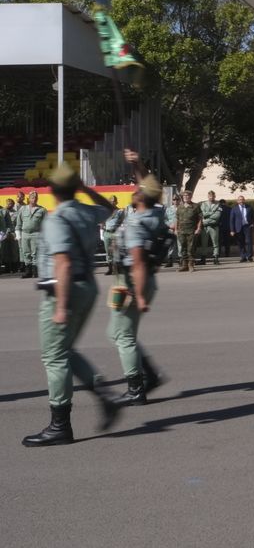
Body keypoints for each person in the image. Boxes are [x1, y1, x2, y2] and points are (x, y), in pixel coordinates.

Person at [22, 165, 123, 447]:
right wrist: (87, 189)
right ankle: (105, 395)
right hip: (87, 286)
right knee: (65, 350)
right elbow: (110, 209)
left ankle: (60, 426)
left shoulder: (57, 218)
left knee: (54, 357)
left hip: (63, 290)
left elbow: (63, 263)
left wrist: (60, 307)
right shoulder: (86, 211)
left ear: (52, 190)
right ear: (75, 189)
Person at [105, 150, 168, 407]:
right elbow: (149, 186)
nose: (134, 188)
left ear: (142, 196)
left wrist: (139, 295)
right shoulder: (154, 212)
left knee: (123, 336)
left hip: (133, 282)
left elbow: (138, 263)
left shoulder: (136, 224)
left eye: (137, 188)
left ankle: (136, 388)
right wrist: (138, 163)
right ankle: (149, 374)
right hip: (136, 280)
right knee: (116, 332)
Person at [17, 190, 47, 278]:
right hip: (25, 233)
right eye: (33, 198)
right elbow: (19, 222)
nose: (34, 199)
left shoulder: (42, 210)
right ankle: (28, 271)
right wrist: (18, 234)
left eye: (36, 198)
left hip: (36, 234)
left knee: (35, 252)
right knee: (26, 252)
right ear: (29, 199)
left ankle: (35, 271)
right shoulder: (23, 209)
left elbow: (46, 224)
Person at [174, 193, 200, 272]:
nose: (185, 197)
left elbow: (199, 218)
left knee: (191, 248)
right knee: (183, 248)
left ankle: (191, 265)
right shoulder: (180, 207)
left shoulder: (195, 206)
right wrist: (176, 229)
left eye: (187, 196)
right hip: (181, 231)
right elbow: (177, 219)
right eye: (184, 196)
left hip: (191, 230)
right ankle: (184, 265)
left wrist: (198, 228)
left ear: (191, 197)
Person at [198, 191, 224, 265]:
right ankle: (203, 259)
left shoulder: (218, 204)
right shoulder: (203, 204)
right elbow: (202, 214)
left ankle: (216, 258)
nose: (211, 198)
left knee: (215, 243)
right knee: (204, 243)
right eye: (210, 196)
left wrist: (207, 218)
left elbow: (217, 216)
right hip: (205, 227)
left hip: (214, 226)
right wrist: (212, 213)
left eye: (212, 196)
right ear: (208, 196)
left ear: (214, 196)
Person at [228, 196, 254, 263]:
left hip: (247, 227)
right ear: (237, 201)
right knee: (240, 242)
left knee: (249, 242)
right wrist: (232, 230)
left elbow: (253, 216)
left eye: (242, 199)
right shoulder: (234, 209)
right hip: (238, 228)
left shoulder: (249, 207)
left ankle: (249, 257)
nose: (241, 201)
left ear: (244, 200)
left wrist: (252, 223)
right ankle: (243, 257)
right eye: (240, 200)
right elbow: (231, 220)